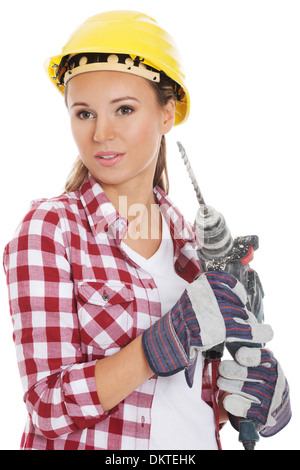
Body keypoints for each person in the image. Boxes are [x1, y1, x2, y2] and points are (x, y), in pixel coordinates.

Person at [3, 10, 291, 451]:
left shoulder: (194, 247)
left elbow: (197, 398)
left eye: (124, 109)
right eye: (84, 113)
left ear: (167, 114)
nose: (102, 133)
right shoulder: (51, 230)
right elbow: (47, 406)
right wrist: (154, 348)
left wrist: (258, 397)